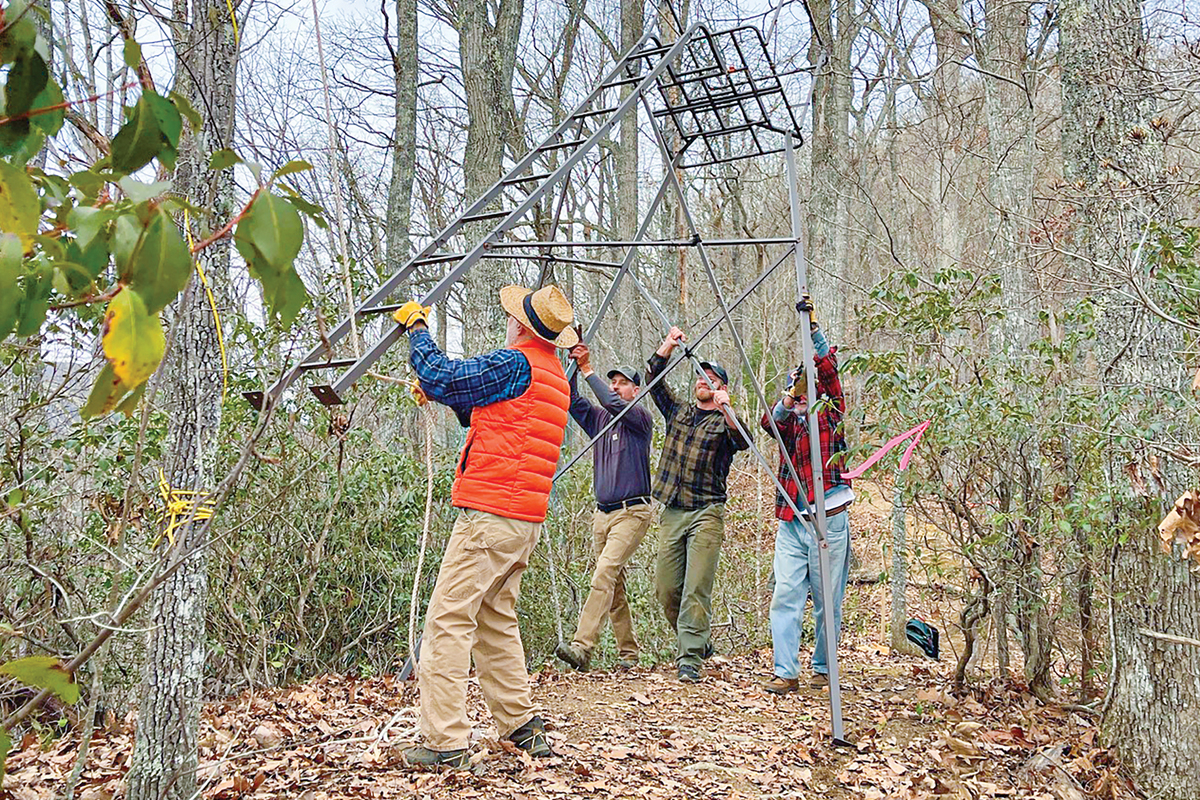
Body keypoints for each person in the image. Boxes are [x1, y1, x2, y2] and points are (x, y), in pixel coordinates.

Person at [391, 284, 578, 768]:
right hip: (522, 520)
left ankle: (444, 742)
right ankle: (521, 725)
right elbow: (492, 414)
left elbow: (442, 374)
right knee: (495, 621)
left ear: (521, 325)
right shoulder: (553, 375)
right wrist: (442, 395)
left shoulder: (517, 362)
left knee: (448, 621)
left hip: (492, 513)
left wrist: (417, 330)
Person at [645, 326, 750, 682]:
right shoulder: (680, 412)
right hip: (673, 510)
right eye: (701, 376)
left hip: (707, 512)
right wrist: (669, 345)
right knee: (667, 589)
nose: (703, 381)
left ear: (722, 387)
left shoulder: (725, 423)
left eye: (712, 378)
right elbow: (653, 381)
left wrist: (728, 411)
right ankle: (699, 640)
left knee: (695, 588)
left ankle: (689, 657)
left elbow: (744, 441)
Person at [759, 301, 853, 694]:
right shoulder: (785, 423)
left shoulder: (829, 413)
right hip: (792, 519)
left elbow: (829, 372)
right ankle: (786, 671)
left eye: (805, 389)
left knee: (828, 601)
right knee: (786, 593)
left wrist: (814, 331)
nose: (801, 396)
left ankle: (823, 668)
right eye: (797, 389)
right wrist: (787, 398)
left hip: (828, 516)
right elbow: (768, 421)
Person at [554, 345, 654, 672]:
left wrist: (587, 369)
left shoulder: (639, 417)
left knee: (604, 573)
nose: (614, 387)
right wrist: (572, 362)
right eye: (612, 381)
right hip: (602, 514)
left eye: (622, 382)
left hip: (632, 512)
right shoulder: (600, 419)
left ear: (635, 390)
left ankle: (582, 647)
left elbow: (612, 404)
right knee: (614, 585)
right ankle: (629, 653)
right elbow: (572, 399)